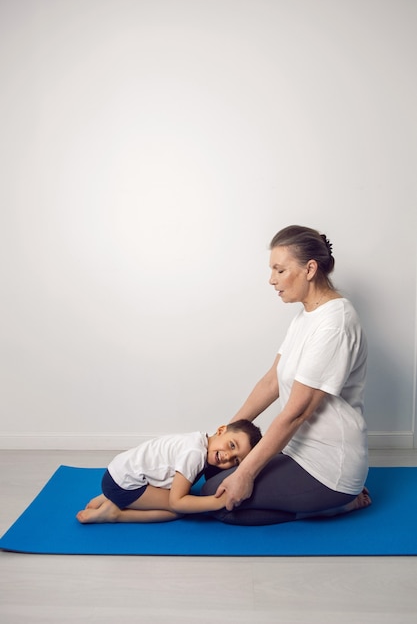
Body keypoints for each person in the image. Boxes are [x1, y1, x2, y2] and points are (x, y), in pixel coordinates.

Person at [201, 225, 372, 525]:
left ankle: (335, 506)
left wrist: (246, 474)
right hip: (297, 451)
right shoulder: (306, 315)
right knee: (211, 475)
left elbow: (296, 413)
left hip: (329, 466)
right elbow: (271, 382)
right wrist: (229, 431)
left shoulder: (334, 324)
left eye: (279, 270)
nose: (271, 280)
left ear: (310, 269)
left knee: (214, 500)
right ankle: (313, 502)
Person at [76, 419, 261, 523]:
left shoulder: (199, 440)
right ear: (221, 430)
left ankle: (108, 496)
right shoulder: (195, 454)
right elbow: (177, 502)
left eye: (236, 460)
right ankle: (115, 514)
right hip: (123, 484)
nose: (228, 456)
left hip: (117, 470)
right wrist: (217, 502)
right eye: (231, 445)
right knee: (179, 512)